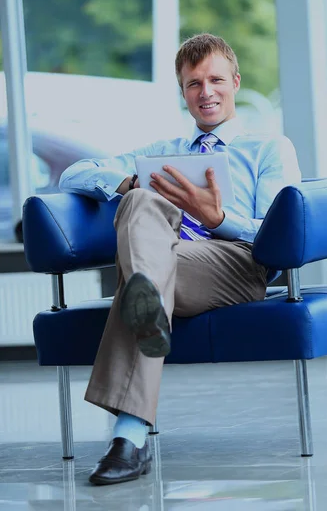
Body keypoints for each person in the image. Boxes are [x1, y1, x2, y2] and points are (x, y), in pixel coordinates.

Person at [59, 33, 301, 486]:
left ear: (235, 82)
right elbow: (75, 172)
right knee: (138, 207)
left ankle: (128, 437)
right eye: (193, 84)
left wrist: (220, 216)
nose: (205, 92)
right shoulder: (162, 153)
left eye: (215, 80)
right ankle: (129, 436)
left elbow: (274, 231)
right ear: (183, 91)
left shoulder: (268, 148)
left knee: (143, 279)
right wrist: (132, 182)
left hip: (237, 262)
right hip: (168, 260)